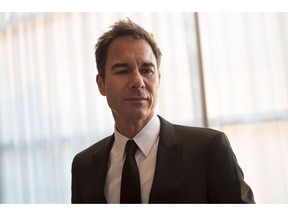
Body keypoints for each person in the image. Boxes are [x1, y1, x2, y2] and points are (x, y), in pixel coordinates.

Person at [71, 18, 255, 204]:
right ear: (101, 84)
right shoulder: (83, 166)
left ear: (158, 79)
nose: (138, 82)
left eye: (147, 70)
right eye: (122, 71)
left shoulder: (209, 149)